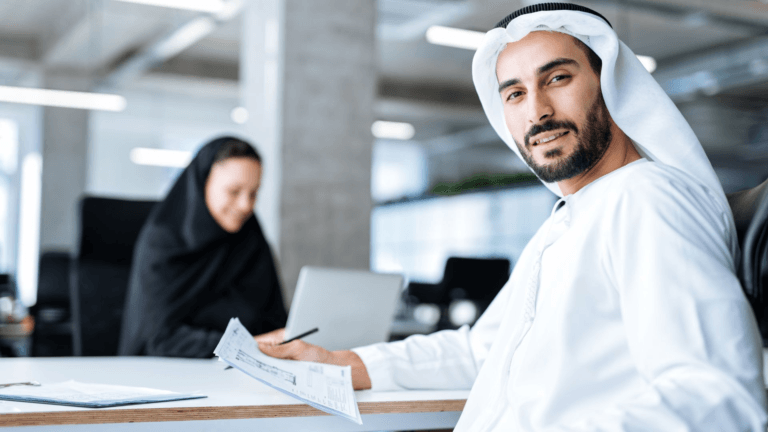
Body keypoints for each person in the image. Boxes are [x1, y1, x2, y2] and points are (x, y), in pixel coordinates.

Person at [256, 3, 768, 430]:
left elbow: (715, 400)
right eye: (515, 93)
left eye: (558, 78)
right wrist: (344, 363)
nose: (537, 110)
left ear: (608, 85)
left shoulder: (647, 201)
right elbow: (486, 349)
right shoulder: (572, 218)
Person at [119, 137, 287, 358]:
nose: (246, 205)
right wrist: (245, 345)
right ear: (202, 183)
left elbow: (274, 321)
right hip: (165, 375)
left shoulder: (251, 239)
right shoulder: (162, 241)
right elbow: (159, 339)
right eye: (234, 192)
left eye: (253, 193)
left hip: (240, 372)